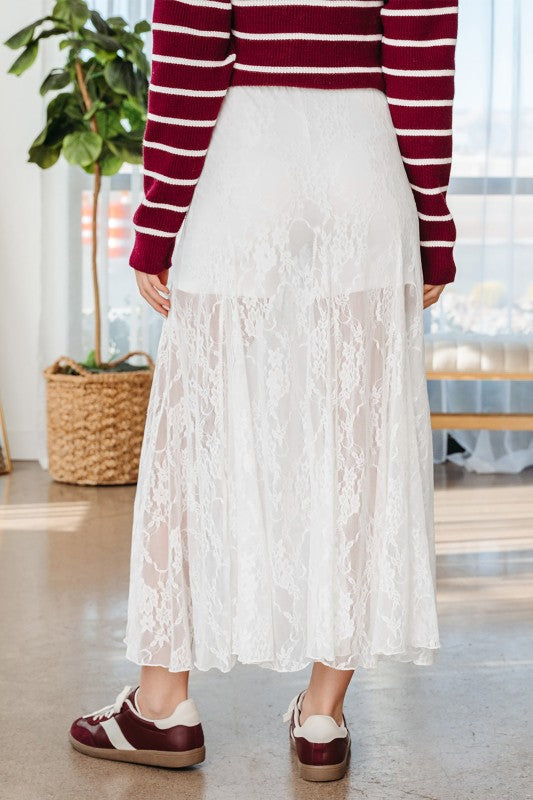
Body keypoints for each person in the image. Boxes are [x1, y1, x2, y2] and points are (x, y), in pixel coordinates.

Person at [69, 0, 458, 782]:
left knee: (195, 435)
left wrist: (157, 222)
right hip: (364, 156)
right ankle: (321, 715)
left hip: (246, 159)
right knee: (353, 439)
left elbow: (189, 50)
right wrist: (433, 226)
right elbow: (421, 54)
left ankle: (162, 705)